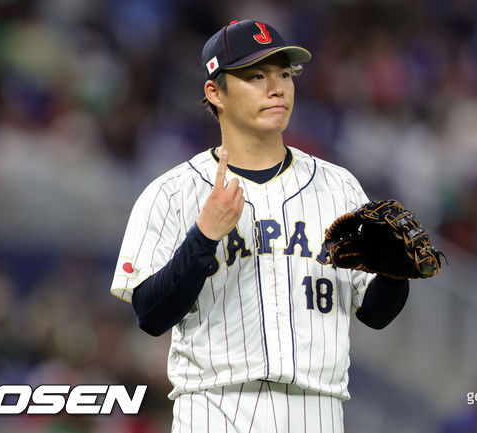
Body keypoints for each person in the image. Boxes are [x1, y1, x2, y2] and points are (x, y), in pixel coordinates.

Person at [110, 19, 411, 432]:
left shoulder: (340, 188)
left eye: (284, 74)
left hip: (318, 411)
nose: (277, 88)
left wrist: (396, 274)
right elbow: (150, 316)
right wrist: (204, 236)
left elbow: (374, 314)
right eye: (256, 76)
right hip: (215, 407)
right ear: (215, 92)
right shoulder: (173, 192)